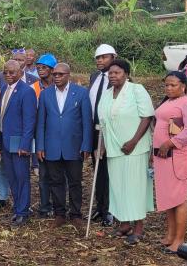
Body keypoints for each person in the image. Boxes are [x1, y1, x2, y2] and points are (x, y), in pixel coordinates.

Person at [97, 60, 154, 245]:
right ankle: (124, 224)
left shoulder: (137, 90)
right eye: (110, 73)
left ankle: (138, 228)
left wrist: (134, 141)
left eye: (117, 72)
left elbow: (147, 116)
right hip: (114, 148)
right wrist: (103, 145)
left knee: (135, 187)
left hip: (134, 149)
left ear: (126, 74)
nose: (113, 75)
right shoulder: (106, 94)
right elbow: (103, 123)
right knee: (118, 187)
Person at [36, 62, 92, 230]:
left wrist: (86, 145)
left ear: (69, 75)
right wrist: (40, 146)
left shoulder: (81, 93)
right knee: (55, 181)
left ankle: (75, 215)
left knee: (75, 182)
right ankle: (59, 214)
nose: (57, 77)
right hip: (51, 146)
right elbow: (41, 123)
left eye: (61, 74)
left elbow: (87, 122)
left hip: (74, 147)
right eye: (55, 74)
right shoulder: (45, 95)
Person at [152, 72, 187, 253]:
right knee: (169, 196)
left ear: (183, 86)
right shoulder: (169, 101)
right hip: (163, 156)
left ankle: (179, 240)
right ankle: (170, 234)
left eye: (173, 85)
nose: (169, 88)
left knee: (179, 198)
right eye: (167, 85)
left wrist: (171, 143)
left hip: (177, 156)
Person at [0, 60, 37, 227]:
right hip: (5, 141)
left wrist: (25, 145)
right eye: (5, 72)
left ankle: (23, 212)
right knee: (12, 177)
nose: (8, 75)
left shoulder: (26, 91)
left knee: (21, 178)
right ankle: (17, 208)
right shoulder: (4, 88)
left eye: (12, 72)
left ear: (21, 71)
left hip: (19, 143)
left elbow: (30, 121)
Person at [89, 44, 116, 226]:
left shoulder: (118, 79)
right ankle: (100, 207)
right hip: (93, 129)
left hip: (110, 131)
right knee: (97, 170)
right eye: (98, 58)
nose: (100, 61)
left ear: (113, 57)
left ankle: (110, 210)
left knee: (110, 172)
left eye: (104, 57)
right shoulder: (94, 76)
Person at [32, 53, 57, 218]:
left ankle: (59, 205)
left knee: (59, 173)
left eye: (44, 68)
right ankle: (44, 205)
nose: (41, 70)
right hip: (40, 134)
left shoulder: (61, 85)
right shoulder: (33, 87)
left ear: (52, 70)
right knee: (43, 173)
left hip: (58, 135)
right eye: (39, 67)